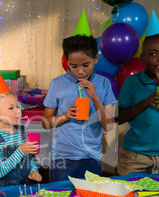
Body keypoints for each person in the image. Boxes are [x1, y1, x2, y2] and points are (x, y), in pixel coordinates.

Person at [42, 35, 116, 182]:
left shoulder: (104, 84)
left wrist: (95, 97)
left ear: (96, 58)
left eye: (86, 65)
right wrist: (65, 115)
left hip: (91, 157)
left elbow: (108, 126)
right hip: (62, 158)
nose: (80, 71)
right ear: (66, 61)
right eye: (74, 66)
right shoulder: (57, 84)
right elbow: (46, 123)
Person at [116, 34, 159, 175]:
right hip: (134, 157)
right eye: (153, 54)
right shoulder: (132, 82)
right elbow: (118, 118)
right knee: (131, 195)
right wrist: (146, 102)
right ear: (143, 58)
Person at [0, 67, 42, 187]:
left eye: (18, 106)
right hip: (4, 191)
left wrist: (34, 170)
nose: (18, 111)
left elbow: (31, 157)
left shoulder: (24, 131)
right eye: (11, 108)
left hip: (24, 188)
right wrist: (21, 150)